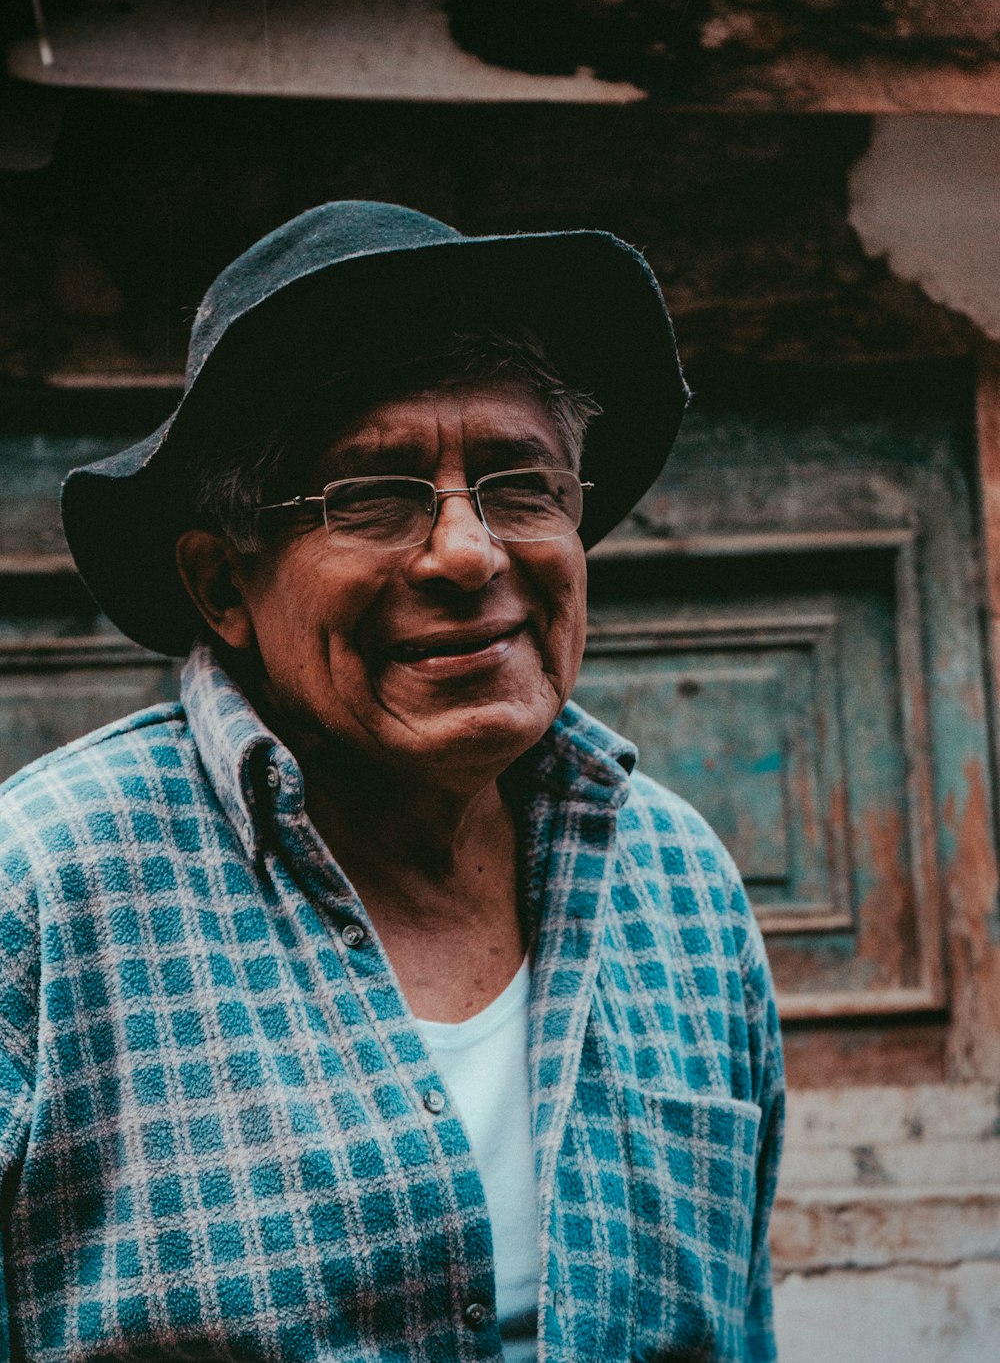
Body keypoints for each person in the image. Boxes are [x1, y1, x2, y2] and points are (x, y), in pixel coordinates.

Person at [0, 201, 784, 1363]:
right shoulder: (46, 895)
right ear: (223, 586)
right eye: (369, 496)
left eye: (522, 484)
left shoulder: (678, 882)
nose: (471, 554)